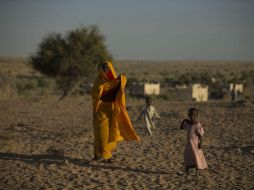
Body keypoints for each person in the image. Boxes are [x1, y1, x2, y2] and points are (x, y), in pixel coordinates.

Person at [91, 61, 140, 163]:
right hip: (101, 112)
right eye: (104, 67)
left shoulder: (115, 81)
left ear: (111, 68)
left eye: (108, 67)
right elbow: (95, 94)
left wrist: (119, 82)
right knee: (100, 135)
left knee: (111, 135)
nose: (106, 69)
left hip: (113, 111)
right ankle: (98, 156)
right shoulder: (99, 80)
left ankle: (107, 156)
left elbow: (122, 84)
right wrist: (102, 88)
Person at [180, 108, 208, 175]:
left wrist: (200, 143)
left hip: (195, 144)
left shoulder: (197, 125)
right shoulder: (188, 124)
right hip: (189, 144)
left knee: (196, 156)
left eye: (194, 114)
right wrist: (183, 120)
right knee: (187, 155)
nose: (193, 115)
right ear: (188, 115)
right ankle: (187, 171)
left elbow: (200, 135)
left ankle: (196, 171)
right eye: (191, 114)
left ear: (196, 115)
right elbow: (181, 128)